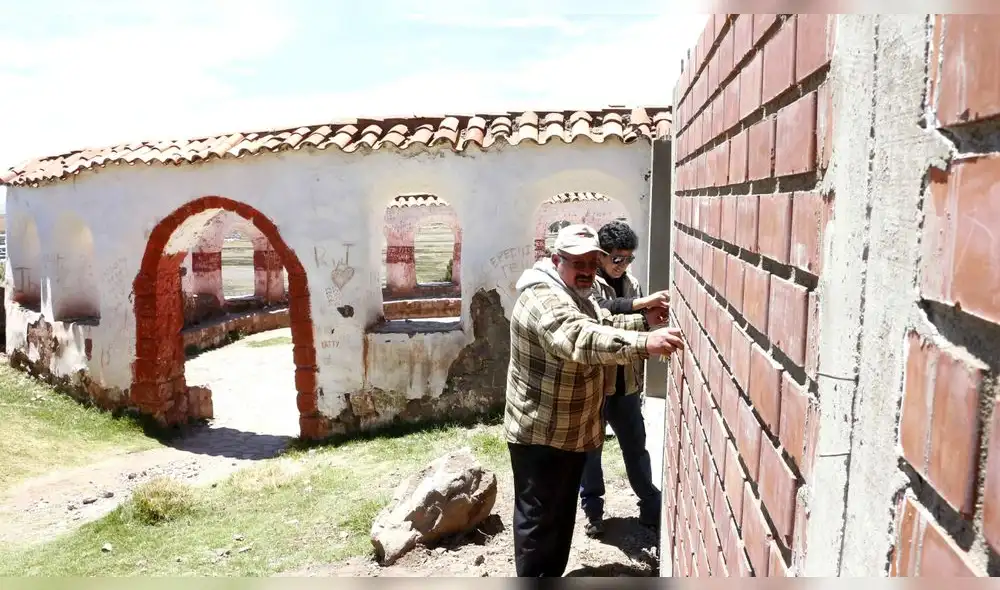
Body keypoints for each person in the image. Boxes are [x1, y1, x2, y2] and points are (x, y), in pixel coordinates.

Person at [503, 223, 684, 577]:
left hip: (569, 434)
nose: (586, 270)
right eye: (577, 263)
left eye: (591, 262)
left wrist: (645, 322)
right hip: (541, 435)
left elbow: (603, 319)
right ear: (557, 260)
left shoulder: (574, 292)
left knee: (559, 518)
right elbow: (578, 337)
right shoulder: (544, 298)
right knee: (539, 525)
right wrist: (645, 343)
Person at [579, 219, 668, 538]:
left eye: (628, 259)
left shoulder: (632, 283)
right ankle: (592, 510)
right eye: (617, 259)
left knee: (636, 446)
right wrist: (643, 306)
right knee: (591, 450)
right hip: (597, 384)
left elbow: (642, 327)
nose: (622, 265)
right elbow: (603, 314)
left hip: (627, 384)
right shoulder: (588, 283)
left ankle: (649, 504)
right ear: (601, 256)